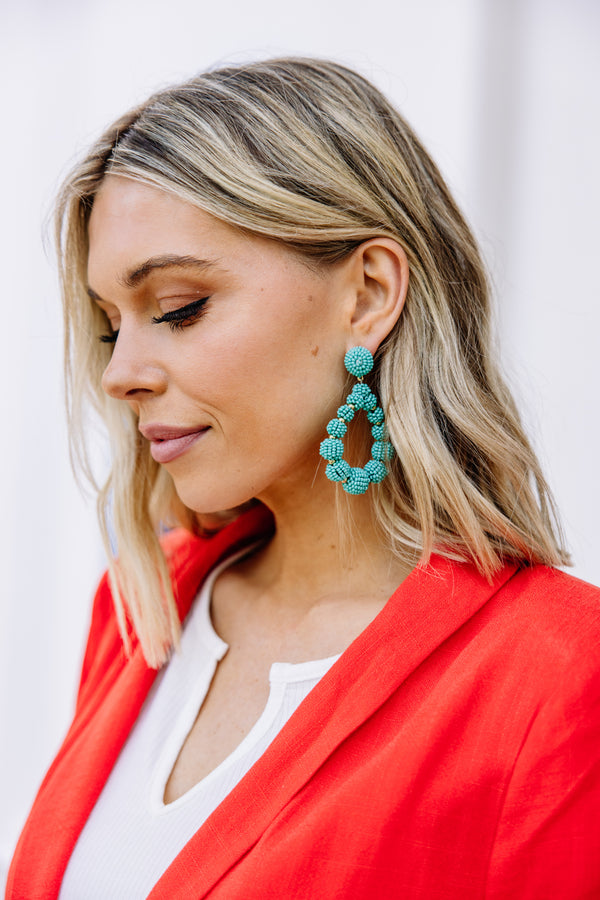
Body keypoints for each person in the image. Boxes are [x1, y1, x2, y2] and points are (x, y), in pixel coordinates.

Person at [6, 57, 600, 899]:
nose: (122, 372)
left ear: (367, 293)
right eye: (110, 328)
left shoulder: (561, 676)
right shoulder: (143, 611)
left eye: (178, 307)